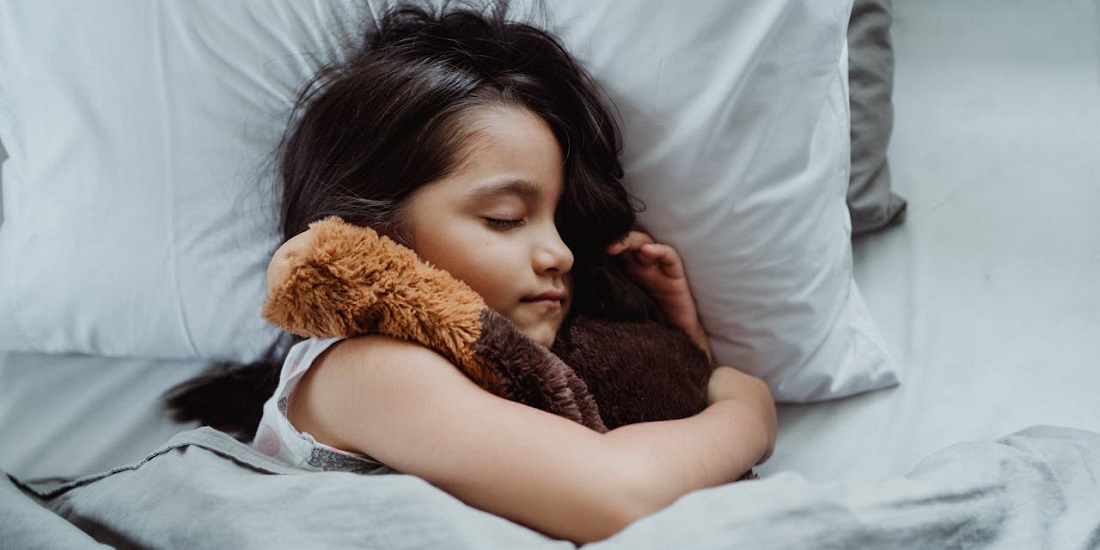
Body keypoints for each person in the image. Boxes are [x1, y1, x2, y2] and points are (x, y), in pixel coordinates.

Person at [170, 1, 776, 544]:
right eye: (506, 218)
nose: (560, 253)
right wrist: (747, 410)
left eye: (559, 222)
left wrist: (683, 347)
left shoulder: (512, 367)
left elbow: (645, 434)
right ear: (372, 229)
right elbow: (616, 495)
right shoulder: (364, 368)